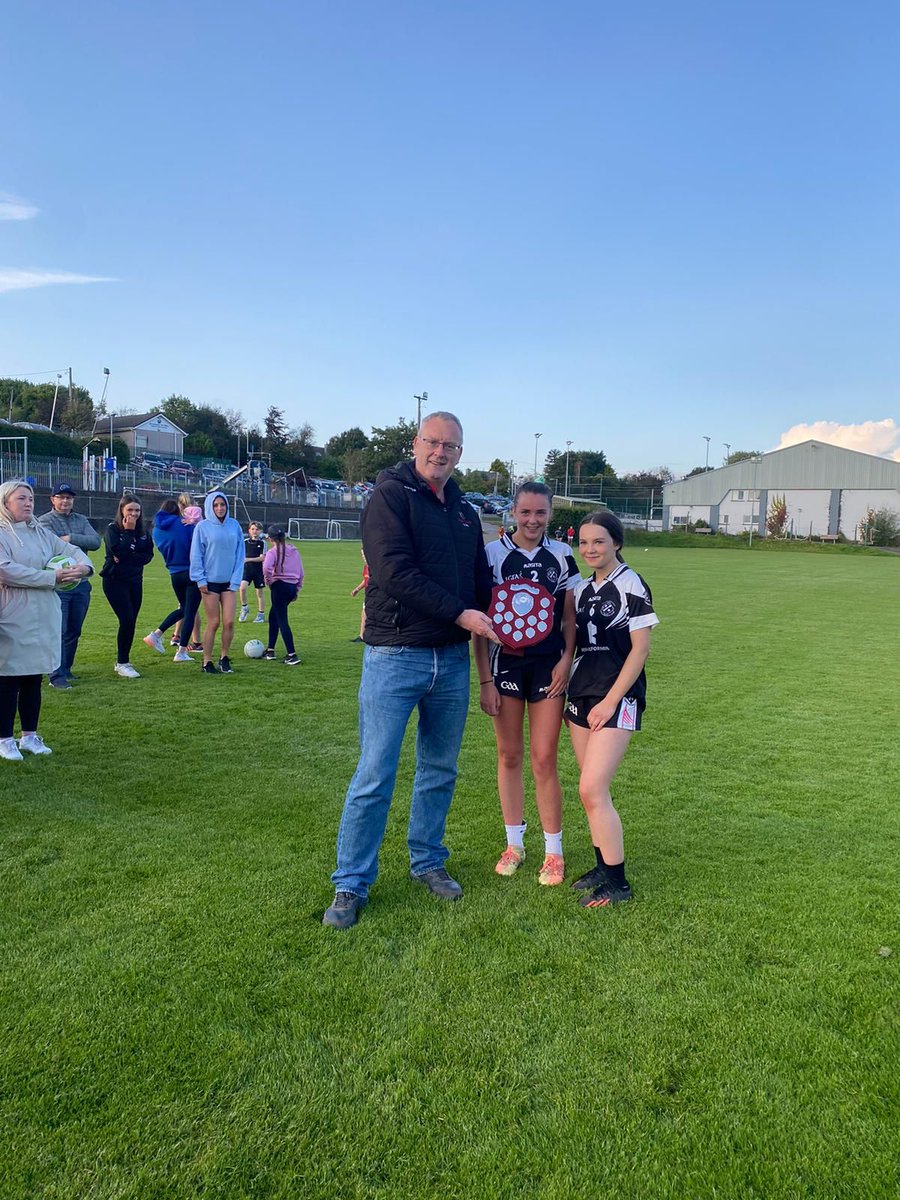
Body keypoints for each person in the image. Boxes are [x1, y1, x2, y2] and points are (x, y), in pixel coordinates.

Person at [324, 412, 497, 930]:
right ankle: (350, 883)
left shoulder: (465, 512)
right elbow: (394, 572)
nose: (440, 452)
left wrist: (514, 615)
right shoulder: (389, 497)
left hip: (450, 660)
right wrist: (462, 614)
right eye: (433, 442)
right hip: (395, 654)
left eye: (451, 446)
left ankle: (428, 861)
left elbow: (478, 580)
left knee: (440, 769)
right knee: (375, 772)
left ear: (460, 454)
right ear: (416, 443)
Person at [473, 482, 580, 886]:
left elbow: (569, 618)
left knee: (543, 758)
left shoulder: (562, 554)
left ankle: (554, 853)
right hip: (507, 669)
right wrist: (485, 679)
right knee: (509, 755)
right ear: (513, 513)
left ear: (550, 514)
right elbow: (480, 625)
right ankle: (514, 844)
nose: (533, 520)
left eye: (540, 513)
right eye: (526, 513)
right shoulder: (492, 555)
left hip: (549, 667)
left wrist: (566, 661)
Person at [565, 512, 659, 908]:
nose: (590, 549)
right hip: (580, 692)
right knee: (591, 792)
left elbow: (640, 649)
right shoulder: (581, 588)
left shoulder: (631, 584)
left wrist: (610, 701)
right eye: (584, 542)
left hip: (615, 698)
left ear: (616, 543)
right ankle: (603, 867)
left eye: (599, 541)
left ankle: (618, 883)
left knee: (592, 787)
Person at [0, 480, 91, 759]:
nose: (28, 503)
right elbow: (5, 570)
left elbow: (72, 552)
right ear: (5, 503)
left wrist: (84, 567)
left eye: (30, 499)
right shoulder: (2, 533)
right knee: (8, 677)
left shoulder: (40, 531)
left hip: (43, 612)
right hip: (13, 612)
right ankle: (4, 739)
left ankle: (29, 736)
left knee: (33, 676)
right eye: (21, 499)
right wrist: (50, 578)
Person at [37, 483, 101, 690]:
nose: (65, 501)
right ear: (52, 499)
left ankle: (66, 668)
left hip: (81, 584)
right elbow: (48, 544)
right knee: (58, 628)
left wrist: (70, 538)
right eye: (61, 497)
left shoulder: (80, 519)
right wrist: (71, 543)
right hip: (58, 585)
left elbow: (95, 541)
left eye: (69, 498)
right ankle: (55, 673)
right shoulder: (44, 521)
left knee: (74, 629)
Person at [190, 491, 244, 674]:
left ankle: (224, 657)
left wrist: (236, 580)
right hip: (209, 584)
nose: (220, 508)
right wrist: (200, 579)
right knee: (214, 622)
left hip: (228, 583)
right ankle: (207, 661)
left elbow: (239, 554)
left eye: (222, 504)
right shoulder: (202, 527)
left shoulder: (234, 525)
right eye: (216, 505)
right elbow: (196, 554)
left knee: (229, 622)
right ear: (210, 507)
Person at [101, 494, 155, 679]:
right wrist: (128, 532)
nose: (134, 513)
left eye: (137, 510)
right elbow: (120, 552)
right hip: (114, 580)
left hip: (135, 581)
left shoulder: (144, 532)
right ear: (122, 510)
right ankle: (122, 662)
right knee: (127, 619)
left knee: (131, 621)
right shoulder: (112, 529)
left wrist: (129, 556)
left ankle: (124, 660)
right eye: (130, 509)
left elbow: (148, 556)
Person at [144, 499, 199, 663]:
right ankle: (181, 651)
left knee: (184, 608)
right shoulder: (184, 524)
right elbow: (195, 544)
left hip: (174, 573)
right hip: (191, 571)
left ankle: (157, 635)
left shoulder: (156, 530)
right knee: (190, 612)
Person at [262, 526, 303, 665]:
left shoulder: (272, 552)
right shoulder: (294, 551)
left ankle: (292, 654)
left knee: (281, 619)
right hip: (291, 587)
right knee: (273, 616)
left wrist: (270, 582)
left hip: (279, 586)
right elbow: (301, 572)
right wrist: (297, 589)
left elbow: (266, 568)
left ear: (270, 538)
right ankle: (270, 650)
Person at [239, 522, 267, 623]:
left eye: (257, 529)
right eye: (253, 529)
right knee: (242, 588)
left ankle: (261, 614)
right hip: (247, 570)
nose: (255, 531)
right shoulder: (245, 542)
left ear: (260, 531)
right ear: (249, 530)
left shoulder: (262, 543)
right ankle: (244, 607)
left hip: (258, 571)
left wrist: (248, 559)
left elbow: (262, 558)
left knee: (259, 593)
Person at [349, 549, 368, 642]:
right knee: (364, 614)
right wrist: (357, 589)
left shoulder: (375, 566)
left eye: (364, 554)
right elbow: (365, 580)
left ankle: (363, 636)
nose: (363, 556)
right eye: (362, 554)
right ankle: (362, 636)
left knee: (366, 614)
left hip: (374, 595)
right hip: (368, 594)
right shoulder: (366, 567)